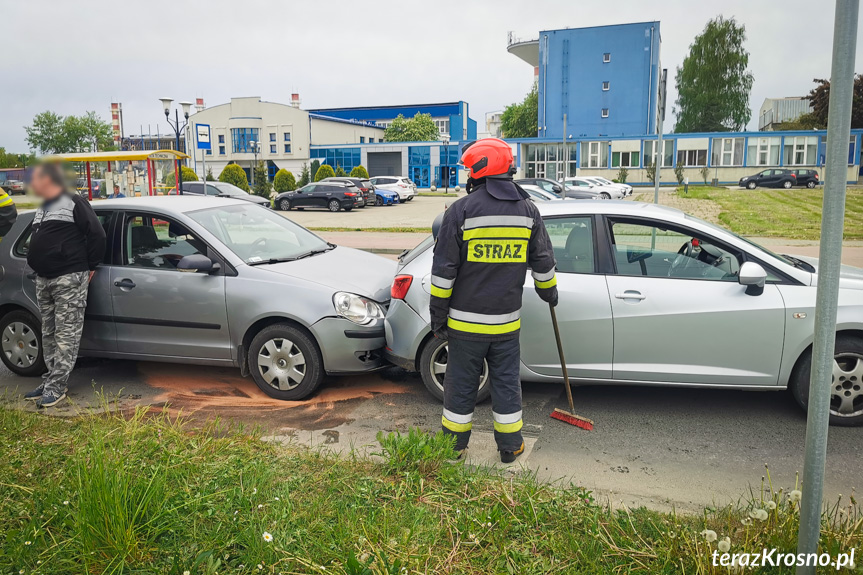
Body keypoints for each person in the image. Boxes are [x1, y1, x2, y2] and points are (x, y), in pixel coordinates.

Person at [430, 138, 559, 463]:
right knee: (505, 384)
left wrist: (438, 317)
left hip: (464, 325)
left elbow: (444, 273)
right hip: (506, 325)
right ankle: (510, 447)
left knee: (460, 386)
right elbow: (543, 262)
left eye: (469, 169)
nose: (467, 176)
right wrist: (549, 292)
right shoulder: (528, 210)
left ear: (480, 170)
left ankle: (453, 449)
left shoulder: (461, 211)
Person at [23, 163, 106, 408]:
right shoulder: (44, 207)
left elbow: (97, 235)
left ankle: (57, 386)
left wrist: (90, 266)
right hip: (44, 277)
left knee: (66, 334)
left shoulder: (74, 202)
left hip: (69, 276)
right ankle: (50, 379)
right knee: (48, 331)